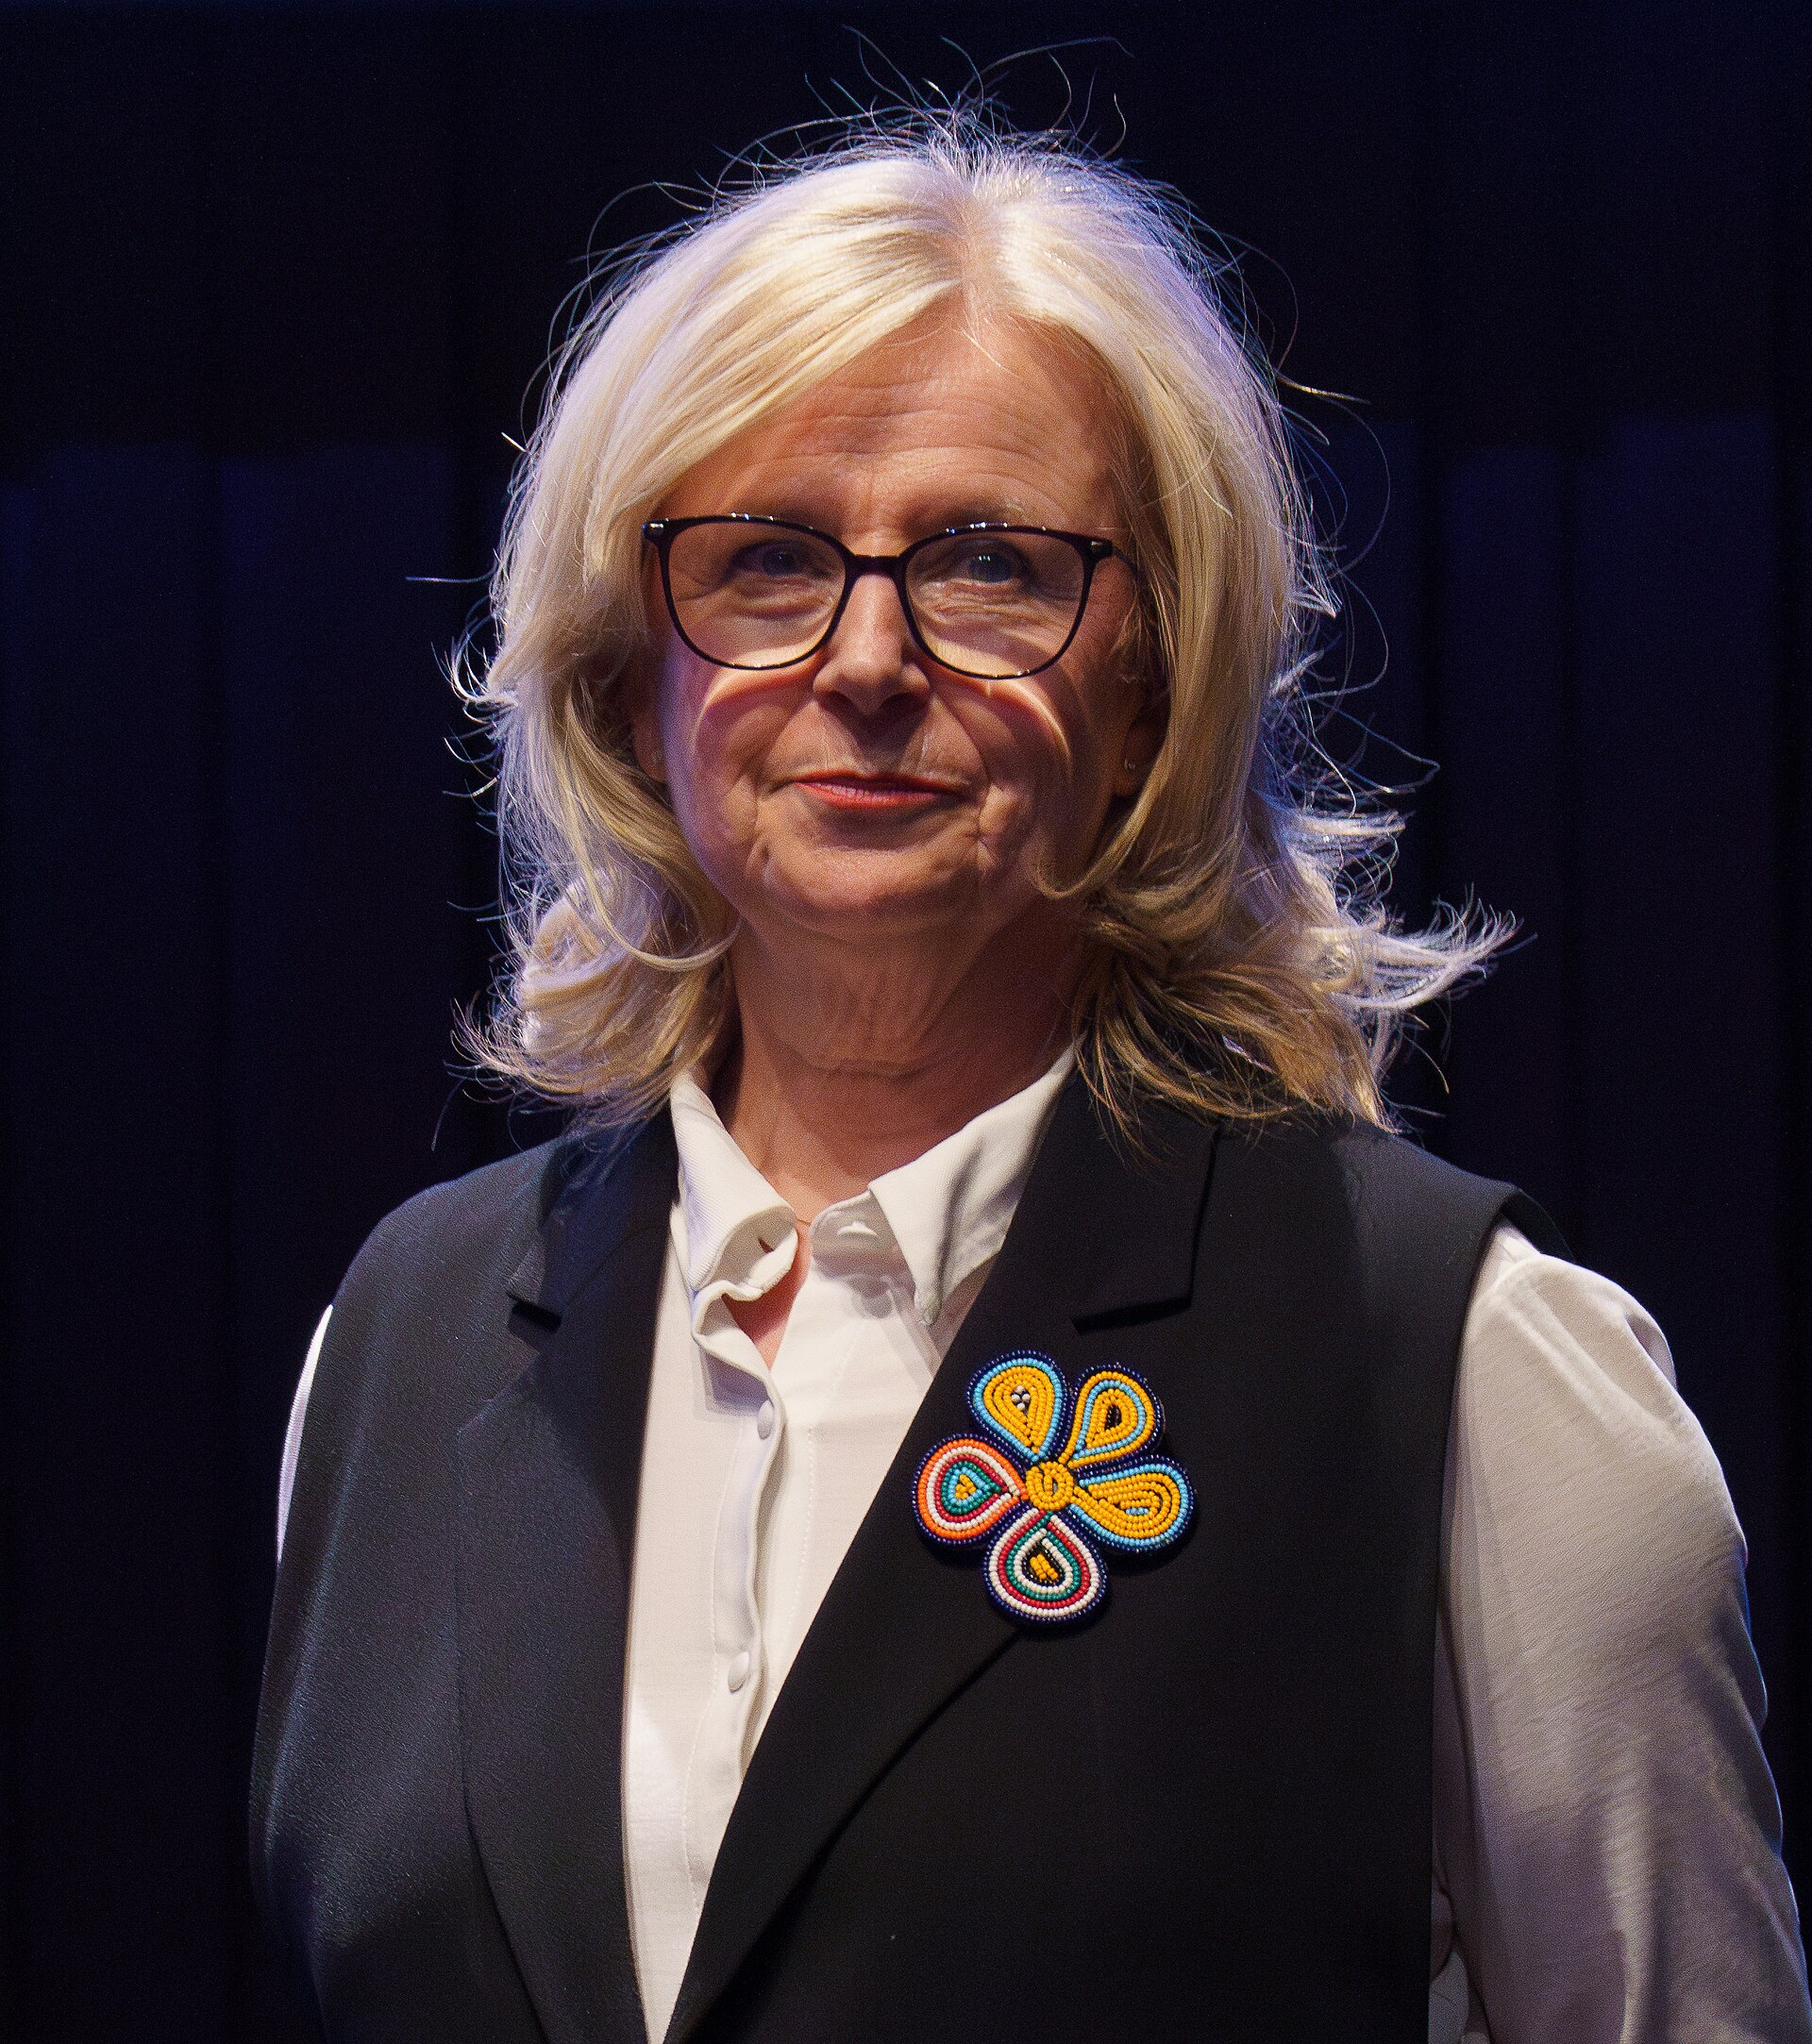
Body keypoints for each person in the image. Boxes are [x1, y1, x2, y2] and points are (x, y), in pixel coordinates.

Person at [251, 119, 1811, 2042]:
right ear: (624, 668)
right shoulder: (399, 1348)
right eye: (762, 561)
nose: (872, 659)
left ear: (1158, 666)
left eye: (992, 564)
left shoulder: (1463, 1359)